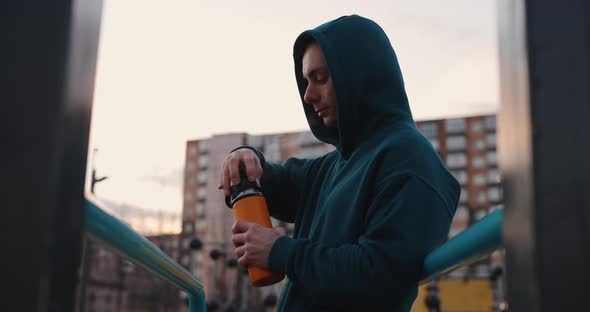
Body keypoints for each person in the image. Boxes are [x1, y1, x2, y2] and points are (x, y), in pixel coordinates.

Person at [218, 15, 460, 311]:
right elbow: (276, 183)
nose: (308, 95)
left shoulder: (412, 160)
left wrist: (280, 252)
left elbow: (380, 275)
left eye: (321, 78)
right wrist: (245, 159)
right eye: (306, 81)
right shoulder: (335, 165)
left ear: (361, 76)